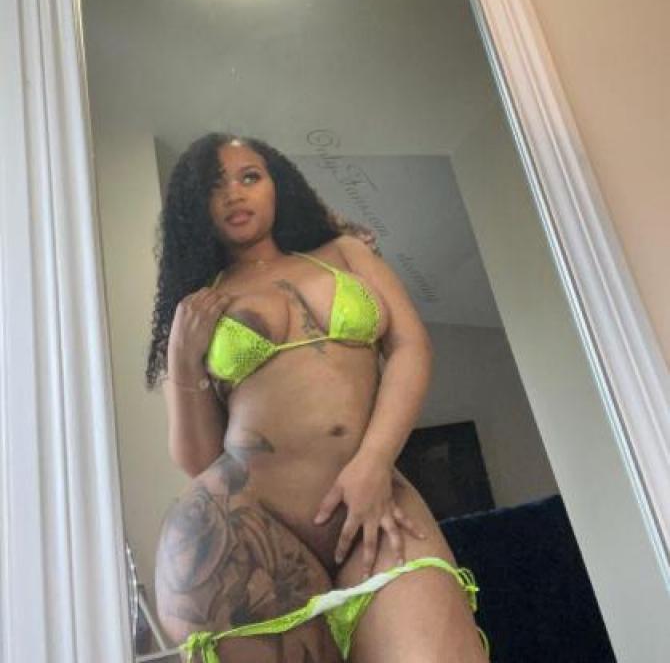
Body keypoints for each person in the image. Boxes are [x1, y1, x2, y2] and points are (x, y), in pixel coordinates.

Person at [147, 133, 490, 663]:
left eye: (249, 176)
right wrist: (181, 356)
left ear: (277, 185)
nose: (234, 193)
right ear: (196, 206)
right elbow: (198, 460)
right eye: (215, 186)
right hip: (252, 527)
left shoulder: (345, 254)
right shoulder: (199, 305)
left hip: (373, 503)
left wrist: (374, 461)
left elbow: (410, 347)